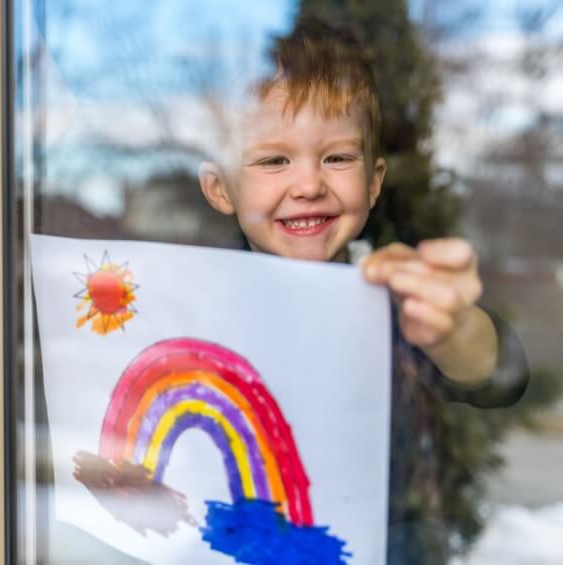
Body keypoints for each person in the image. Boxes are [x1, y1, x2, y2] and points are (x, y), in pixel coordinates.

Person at [197, 18, 528, 564]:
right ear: (220, 188)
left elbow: (499, 375)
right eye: (274, 160)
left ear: (373, 182)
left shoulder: (390, 293)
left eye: (337, 158)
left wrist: (455, 328)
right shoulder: (197, 306)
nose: (308, 185)